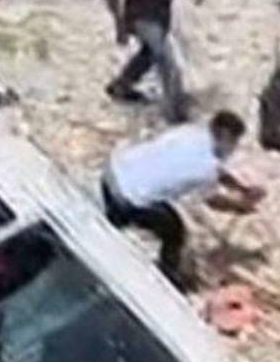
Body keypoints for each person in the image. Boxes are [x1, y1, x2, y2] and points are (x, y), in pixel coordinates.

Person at [101, 111, 262, 289]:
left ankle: (117, 218)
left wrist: (241, 188)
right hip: (128, 199)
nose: (234, 147)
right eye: (234, 142)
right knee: (175, 231)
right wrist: (240, 207)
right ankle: (165, 277)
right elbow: (212, 200)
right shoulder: (206, 168)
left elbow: (216, 173)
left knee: (154, 202)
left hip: (114, 171)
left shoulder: (189, 132)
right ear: (226, 137)